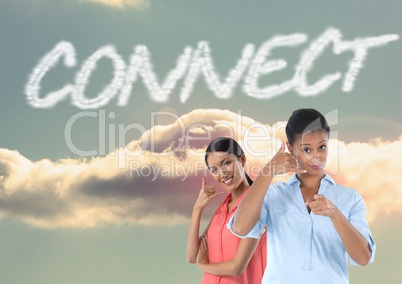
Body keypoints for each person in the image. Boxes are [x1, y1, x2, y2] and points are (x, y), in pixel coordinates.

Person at [229, 108, 376, 284]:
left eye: (322, 147)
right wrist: (267, 172)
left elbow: (363, 258)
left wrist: (335, 214)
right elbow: (240, 228)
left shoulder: (350, 198)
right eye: (307, 149)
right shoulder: (273, 195)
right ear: (290, 148)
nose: (316, 157)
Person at [186, 137, 267, 284]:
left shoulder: (257, 204)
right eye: (214, 170)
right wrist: (197, 209)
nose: (222, 173)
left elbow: (236, 268)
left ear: (242, 160)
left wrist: (204, 265)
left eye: (227, 163)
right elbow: (192, 256)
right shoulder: (222, 209)